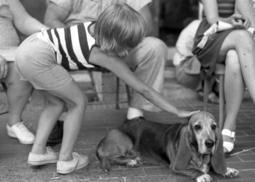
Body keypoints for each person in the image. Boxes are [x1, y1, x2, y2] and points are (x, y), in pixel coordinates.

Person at [15, 3, 198, 174]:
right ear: (113, 39)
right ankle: (66, 159)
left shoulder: (96, 28)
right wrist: (177, 111)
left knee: (55, 104)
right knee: (78, 102)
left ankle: (38, 152)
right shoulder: (100, 53)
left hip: (27, 49)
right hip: (39, 57)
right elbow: (144, 89)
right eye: (126, 46)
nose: (127, 52)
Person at [43, 0, 167, 145]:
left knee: (155, 47)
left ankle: (135, 117)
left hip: (121, 46)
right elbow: (51, 20)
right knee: (46, 50)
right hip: (77, 46)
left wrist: (119, 38)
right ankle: (58, 117)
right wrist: (82, 40)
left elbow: (146, 25)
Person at [193, 0, 255, 154]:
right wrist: (230, 21)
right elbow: (212, 19)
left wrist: (244, 21)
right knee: (243, 36)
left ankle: (228, 127)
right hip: (210, 36)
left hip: (235, 38)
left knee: (234, 58)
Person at [0, 0, 47, 144]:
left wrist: (46, 31)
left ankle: (14, 123)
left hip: (9, 52)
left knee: (25, 64)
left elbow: (23, 19)